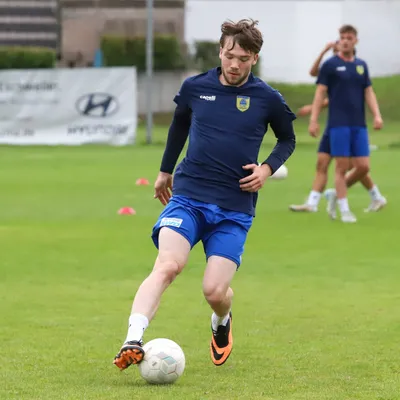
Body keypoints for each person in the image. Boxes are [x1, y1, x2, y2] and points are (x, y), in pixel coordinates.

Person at [112, 19, 296, 370]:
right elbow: (179, 125)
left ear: (254, 59)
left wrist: (266, 169)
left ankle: (222, 320)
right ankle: (132, 339)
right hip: (189, 197)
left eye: (243, 58)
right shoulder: (195, 87)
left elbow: (287, 138)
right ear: (220, 51)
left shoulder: (267, 98)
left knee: (214, 291)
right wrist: (165, 170)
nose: (234, 64)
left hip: (234, 207)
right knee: (168, 265)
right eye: (229, 55)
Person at [290, 41, 386, 214]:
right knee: (322, 162)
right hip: (333, 124)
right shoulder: (331, 67)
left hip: (347, 125)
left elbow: (340, 98)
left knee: (355, 166)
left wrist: (312, 109)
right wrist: (324, 50)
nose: (336, 52)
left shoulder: (353, 69)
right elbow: (313, 73)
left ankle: (374, 196)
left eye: (337, 49)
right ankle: (312, 203)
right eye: (334, 50)